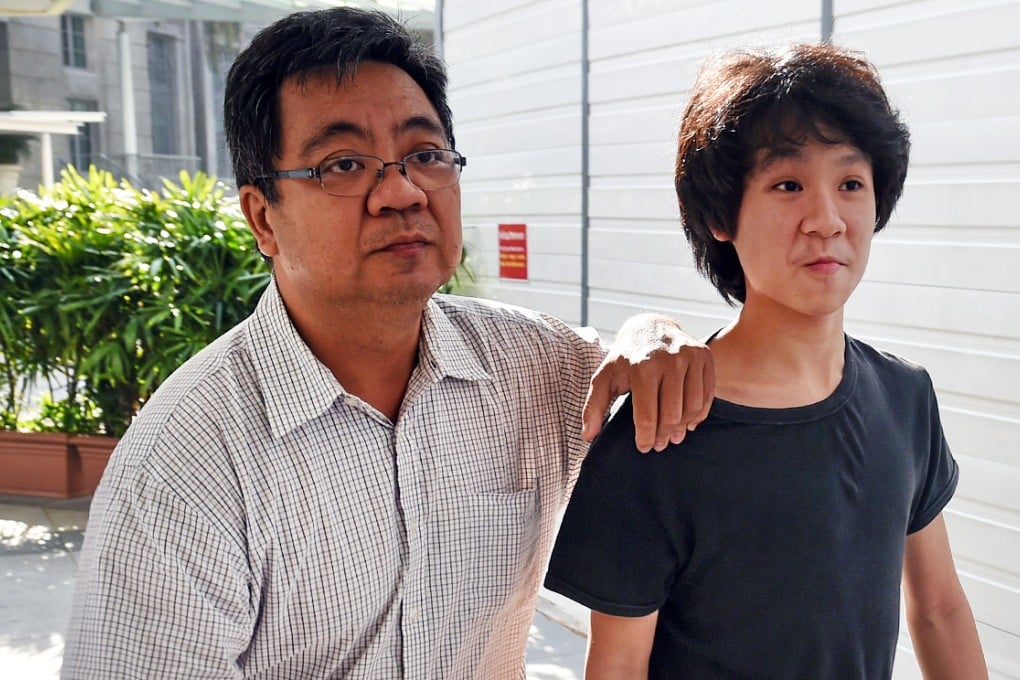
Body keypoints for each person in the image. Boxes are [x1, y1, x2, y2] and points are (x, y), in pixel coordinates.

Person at [61, 7, 715, 679]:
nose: (401, 192)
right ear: (263, 217)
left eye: (425, 155)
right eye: (343, 164)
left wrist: (654, 333)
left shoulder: (534, 367)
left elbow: (640, 373)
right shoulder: (189, 462)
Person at [544, 43, 987, 679]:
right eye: (788, 184)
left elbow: (939, 608)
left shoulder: (905, 397)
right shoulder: (660, 432)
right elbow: (616, 667)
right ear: (722, 213)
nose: (827, 220)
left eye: (851, 184)